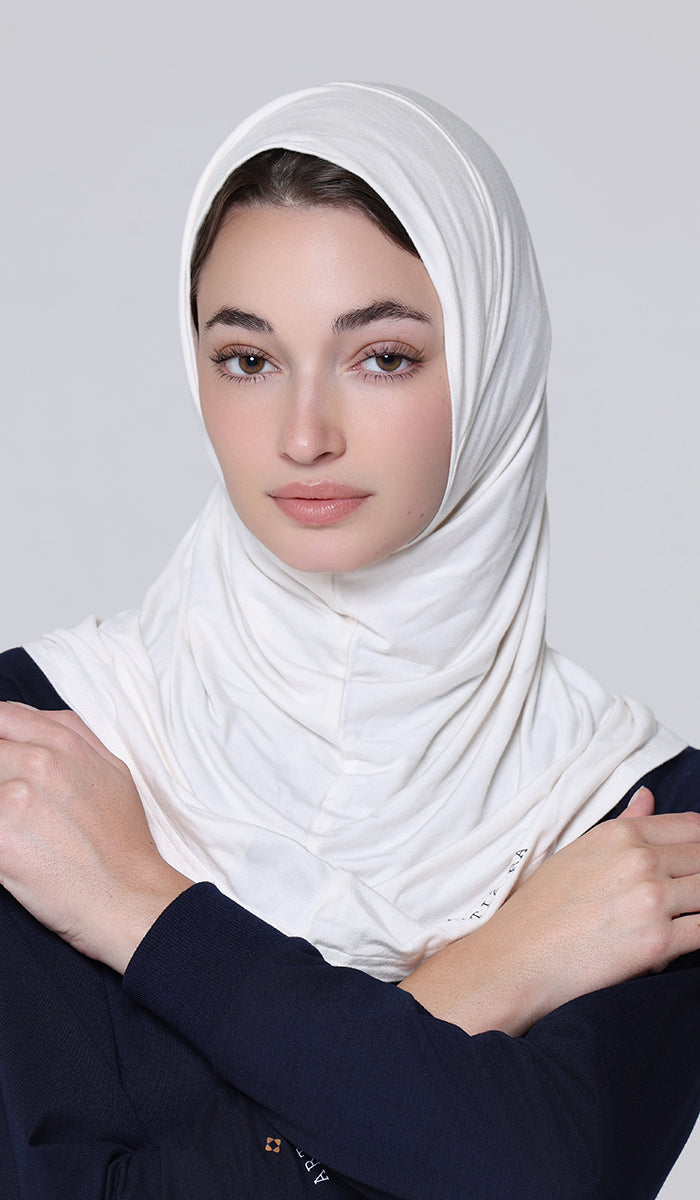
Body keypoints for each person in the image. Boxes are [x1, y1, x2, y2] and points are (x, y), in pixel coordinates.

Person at [0, 82, 697, 1198]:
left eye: (383, 357)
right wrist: (494, 972)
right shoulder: (39, 751)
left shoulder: (637, 817)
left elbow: (542, 1180)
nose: (303, 435)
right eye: (247, 359)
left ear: (496, 362)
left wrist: (136, 911)